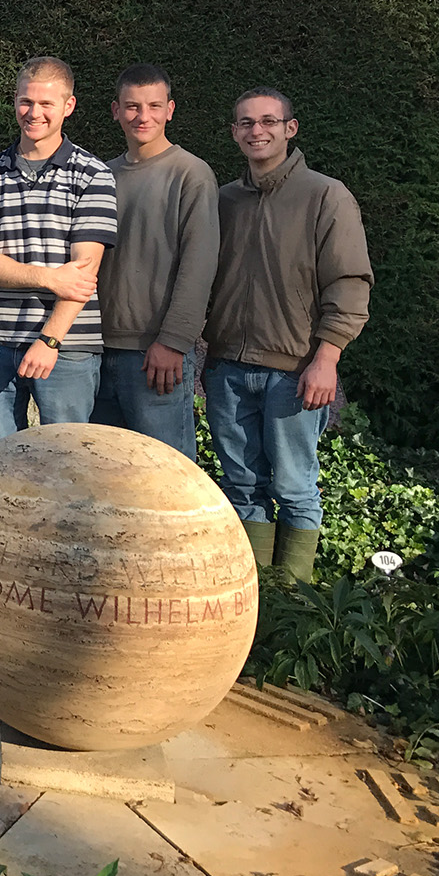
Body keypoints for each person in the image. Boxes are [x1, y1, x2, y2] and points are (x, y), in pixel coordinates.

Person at [204, 88, 372, 582]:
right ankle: (256, 603)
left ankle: (295, 605)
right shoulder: (225, 201)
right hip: (228, 369)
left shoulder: (326, 195)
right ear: (235, 132)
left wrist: (328, 358)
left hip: (295, 371)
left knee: (297, 488)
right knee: (242, 484)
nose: (257, 131)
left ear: (289, 128)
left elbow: (349, 281)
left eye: (268, 121)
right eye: (246, 123)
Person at [0, 57, 118, 453]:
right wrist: (48, 277)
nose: (34, 113)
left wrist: (49, 340)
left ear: (69, 106)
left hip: (67, 345)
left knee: (68, 464)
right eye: (26, 102)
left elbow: (84, 271)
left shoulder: (93, 175)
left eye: (47, 104)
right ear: (15, 102)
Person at [91, 65, 220, 457]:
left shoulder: (191, 175)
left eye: (153, 106)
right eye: (132, 106)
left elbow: (199, 265)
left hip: (155, 355)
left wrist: (174, 341)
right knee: (105, 477)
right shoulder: (100, 175)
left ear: (170, 110)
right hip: (95, 351)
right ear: (116, 110)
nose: (142, 116)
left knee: (167, 477)